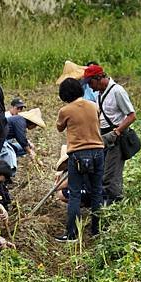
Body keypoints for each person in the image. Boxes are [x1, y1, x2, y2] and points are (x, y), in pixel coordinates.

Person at [54, 78, 105, 242]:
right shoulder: (94, 105)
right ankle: (97, 230)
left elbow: (59, 127)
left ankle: (72, 234)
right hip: (98, 151)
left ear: (65, 95)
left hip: (78, 154)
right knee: (97, 191)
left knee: (74, 194)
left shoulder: (65, 110)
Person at [83, 64, 137, 204]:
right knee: (102, 171)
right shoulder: (100, 94)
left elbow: (131, 116)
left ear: (98, 78)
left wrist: (117, 132)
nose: (90, 87)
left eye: (90, 83)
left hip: (116, 138)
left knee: (111, 175)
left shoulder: (117, 91)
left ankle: (114, 205)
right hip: (105, 136)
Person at [1, 107, 45, 172]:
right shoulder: (20, 121)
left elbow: (23, 138)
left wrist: (33, 154)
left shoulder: (21, 122)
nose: (35, 127)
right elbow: (21, 138)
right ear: (32, 122)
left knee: (27, 147)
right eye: (35, 125)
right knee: (10, 154)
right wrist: (30, 152)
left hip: (4, 141)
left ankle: (5, 158)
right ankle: (8, 173)